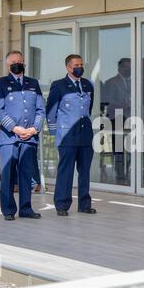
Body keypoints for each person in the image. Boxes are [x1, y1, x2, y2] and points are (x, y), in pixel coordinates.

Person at [0, 50, 45, 221]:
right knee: (8, 175)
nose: (17, 64)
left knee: (26, 174)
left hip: (29, 137)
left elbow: (40, 109)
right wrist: (15, 128)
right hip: (9, 137)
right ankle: (8, 210)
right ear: (7, 65)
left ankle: (26, 208)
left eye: (20, 61)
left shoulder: (33, 83)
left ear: (24, 63)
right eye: (13, 62)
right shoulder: (0, 83)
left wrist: (34, 129)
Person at [46, 54, 96, 216]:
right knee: (66, 171)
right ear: (68, 67)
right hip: (67, 135)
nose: (79, 67)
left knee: (85, 171)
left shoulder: (88, 84)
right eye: (76, 65)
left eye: (81, 64)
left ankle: (84, 204)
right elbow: (51, 111)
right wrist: (55, 132)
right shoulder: (59, 85)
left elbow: (87, 109)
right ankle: (62, 204)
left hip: (85, 135)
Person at [103, 58, 131, 184]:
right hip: (116, 118)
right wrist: (122, 105)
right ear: (119, 68)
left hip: (131, 119)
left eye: (130, 67)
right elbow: (107, 101)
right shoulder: (111, 82)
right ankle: (120, 174)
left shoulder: (133, 82)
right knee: (119, 147)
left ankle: (128, 171)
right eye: (125, 66)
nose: (128, 69)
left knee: (131, 146)